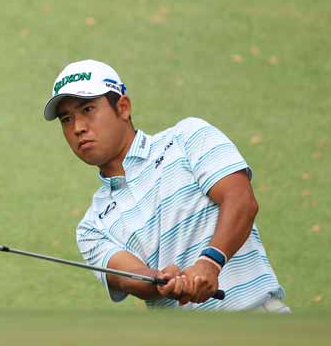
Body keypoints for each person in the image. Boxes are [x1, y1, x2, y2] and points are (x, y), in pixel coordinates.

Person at [43, 59, 286, 312]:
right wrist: (158, 280)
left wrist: (210, 263)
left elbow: (240, 200)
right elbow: (128, 277)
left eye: (88, 110)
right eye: (66, 119)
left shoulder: (187, 138)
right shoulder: (92, 226)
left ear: (123, 107)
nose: (78, 128)